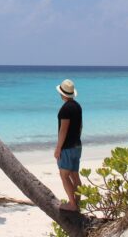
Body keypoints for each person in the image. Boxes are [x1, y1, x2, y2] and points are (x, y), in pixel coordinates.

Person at [54, 78, 82, 211]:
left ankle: (72, 204)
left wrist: (58, 148)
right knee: (75, 175)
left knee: (64, 175)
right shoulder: (77, 106)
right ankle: (77, 202)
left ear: (62, 94)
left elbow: (63, 130)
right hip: (77, 145)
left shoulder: (65, 109)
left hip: (68, 147)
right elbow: (80, 126)